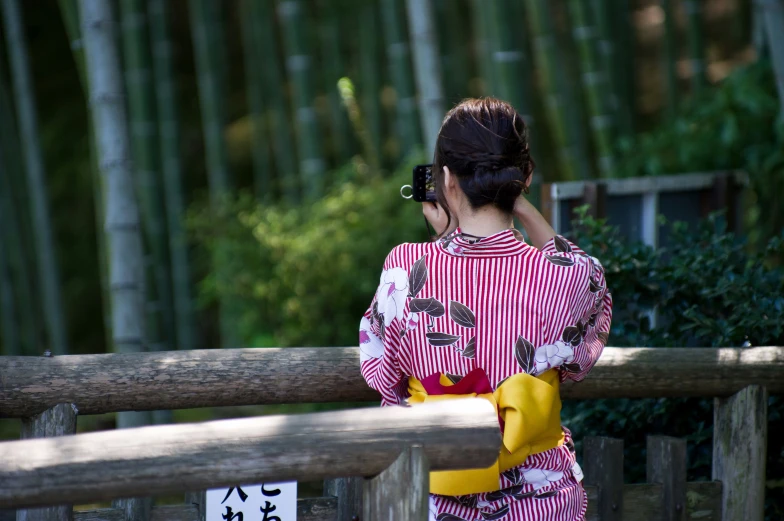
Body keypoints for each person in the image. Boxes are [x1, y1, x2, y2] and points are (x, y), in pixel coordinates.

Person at [359, 98, 613, 521]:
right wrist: (523, 208)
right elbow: (577, 358)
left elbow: (385, 377)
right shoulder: (570, 277)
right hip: (541, 501)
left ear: (445, 179)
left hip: (436, 498)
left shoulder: (406, 268)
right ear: (524, 176)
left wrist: (446, 239)